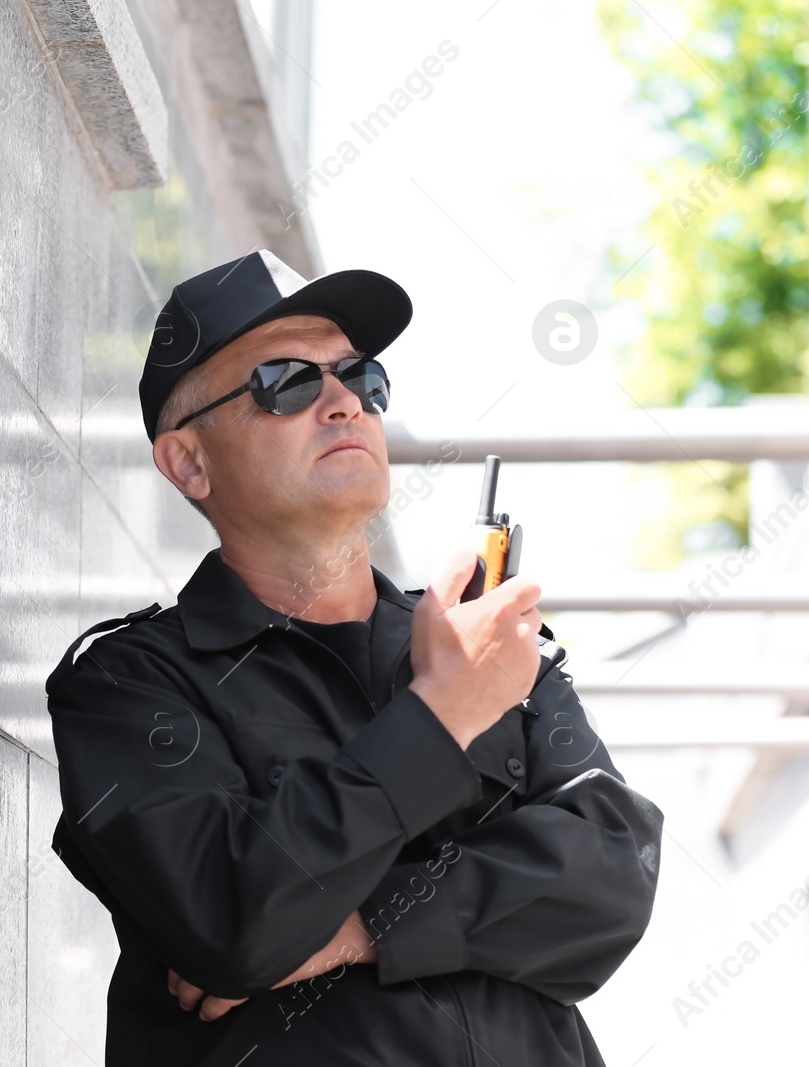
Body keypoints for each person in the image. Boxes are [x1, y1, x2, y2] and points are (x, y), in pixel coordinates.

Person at [44, 249, 663, 1066]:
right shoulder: (126, 684)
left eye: (360, 377)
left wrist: (359, 926)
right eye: (286, 382)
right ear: (189, 461)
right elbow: (230, 923)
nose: (342, 402)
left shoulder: (487, 645)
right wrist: (445, 714)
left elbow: (613, 880)